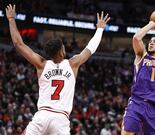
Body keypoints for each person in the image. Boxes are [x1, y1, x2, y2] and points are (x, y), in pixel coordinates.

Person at [5, 4, 110, 135]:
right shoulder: (73, 64)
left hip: (42, 116)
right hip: (61, 119)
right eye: (63, 47)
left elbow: (18, 44)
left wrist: (11, 19)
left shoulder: (41, 64)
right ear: (61, 51)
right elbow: (90, 48)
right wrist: (100, 29)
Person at [121, 11, 155, 135]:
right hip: (136, 102)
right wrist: (151, 24)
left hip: (153, 109)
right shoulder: (141, 56)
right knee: (126, 133)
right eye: (150, 41)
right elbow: (136, 38)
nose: (151, 43)